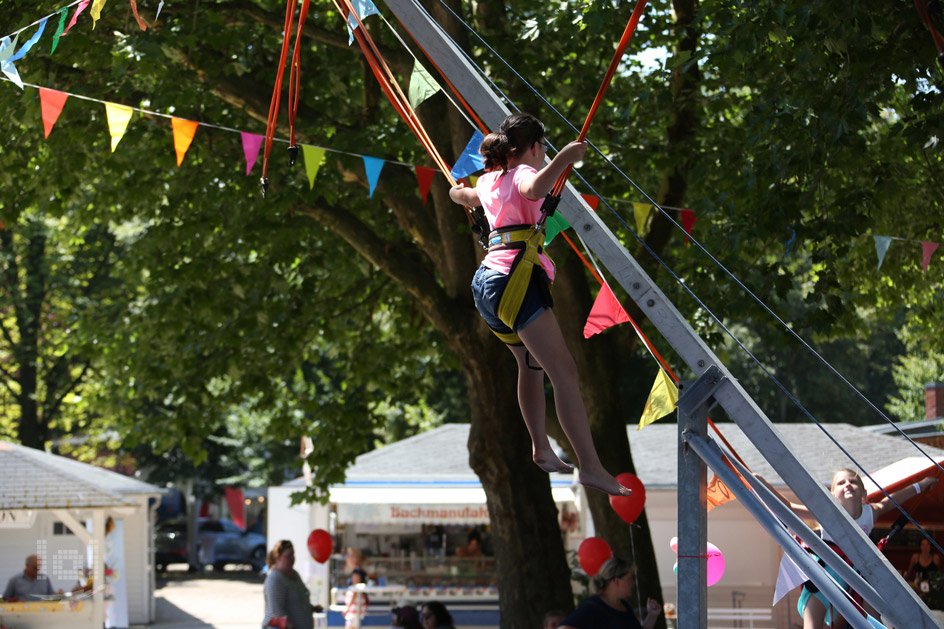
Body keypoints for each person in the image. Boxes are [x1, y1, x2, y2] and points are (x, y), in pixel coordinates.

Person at [448, 112, 629, 497]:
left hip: (486, 287)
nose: (544, 155)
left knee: (529, 365)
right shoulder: (519, 176)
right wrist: (564, 159)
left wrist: (456, 190)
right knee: (565, 374)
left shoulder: (488, 181)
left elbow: (458, 195)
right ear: (532, 148)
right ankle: (591, 466)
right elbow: (533, 189)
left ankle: (541, 448)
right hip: (516, 281)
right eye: (543, 148)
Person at [764, 469, 939, 629]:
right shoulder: (826, 512)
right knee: (812, 624)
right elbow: (789, 508)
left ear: (864, 493)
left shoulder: (870, 512)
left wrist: (921, 485)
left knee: (873, 617)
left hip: (857, 579)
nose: (847, 484)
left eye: (853, 482)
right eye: (841, 483)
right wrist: (759, 484)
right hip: (825, 577)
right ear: (832, 494)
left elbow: (894, 499)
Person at [558, 557, 661, 629]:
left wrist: (652, 615)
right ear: (616, 581)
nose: (633, 583)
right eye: (630, 578)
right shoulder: (594, 606)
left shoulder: (625, 606)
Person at [261, 540, 314, 629]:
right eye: (288, 556)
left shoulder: (294, 574)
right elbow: (277, 612)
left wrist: (310, 608)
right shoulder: (275, 579)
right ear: (278, 558)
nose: (292, 558)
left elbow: (300, 597)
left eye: (293, 554)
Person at [906, 537, 941, 604]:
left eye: (927, 545)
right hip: (918, 586)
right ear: (920, 546)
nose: (925, 547)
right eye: (923, 544)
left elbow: (939, 576)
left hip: (931, 587)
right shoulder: (915, 557)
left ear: (930, 546)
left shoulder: (936, 558)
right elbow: (909, 573)